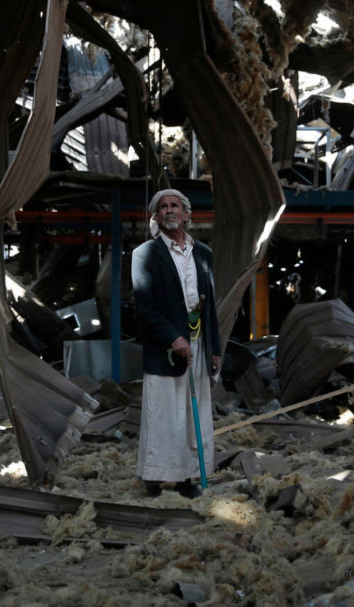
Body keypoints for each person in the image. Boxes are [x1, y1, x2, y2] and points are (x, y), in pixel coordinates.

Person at [131, 189, 221, 498]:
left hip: (198, 345)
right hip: (165, 349)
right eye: (163, 207)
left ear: (186, 213)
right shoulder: (144, 255)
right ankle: (155, 479)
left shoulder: (203, 254)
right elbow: (145, 307)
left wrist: (216, 349)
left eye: (175, 205)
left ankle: (188, 478)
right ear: (155, 217)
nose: (170, 210)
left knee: (193, 411)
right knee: (163, 414)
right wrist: (174, 337)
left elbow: (209, 307)